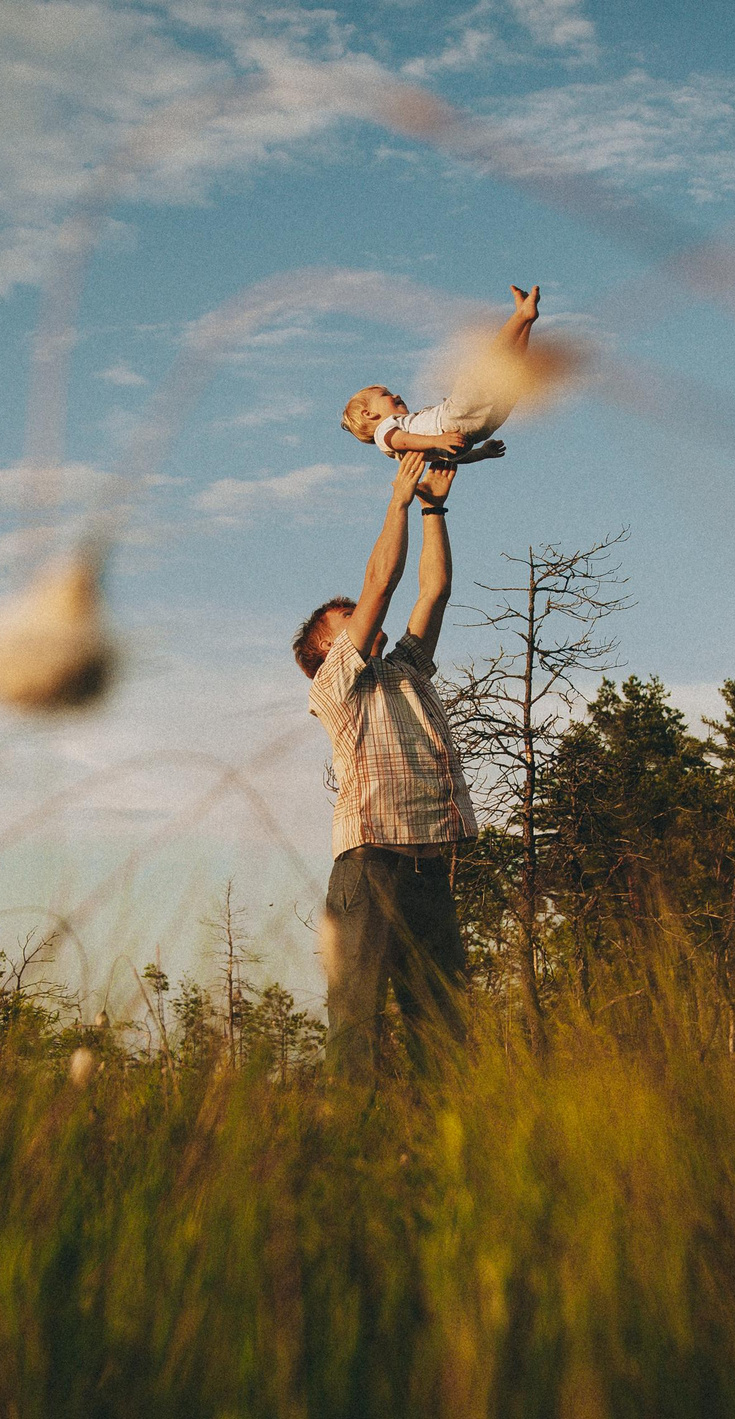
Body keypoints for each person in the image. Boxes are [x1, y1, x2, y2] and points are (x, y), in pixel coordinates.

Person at [294, 450, 476, 1081]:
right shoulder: (335, 684)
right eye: (346, 622)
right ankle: (354, 1152)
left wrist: (433, 506)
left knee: (446, 1028)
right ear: (326, 648)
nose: (364, 619)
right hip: (369, 866)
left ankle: (444, 1149)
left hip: (428, 868)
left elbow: (435, 589)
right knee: (357, 1023)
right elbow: (383, 584)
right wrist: (396, 499)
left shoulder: (404, 669)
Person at [339, 286, 540, 464]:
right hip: (451, 418)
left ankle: (526, 321)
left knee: (511, 377)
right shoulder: (386, 431)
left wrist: (481, 453)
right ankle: (521, 317)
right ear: (369, 414)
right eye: (385, 395)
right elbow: (399, 439)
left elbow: (454, 455)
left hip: (476, 431)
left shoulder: (411, 449)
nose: (395, 395)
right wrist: (437, 440)